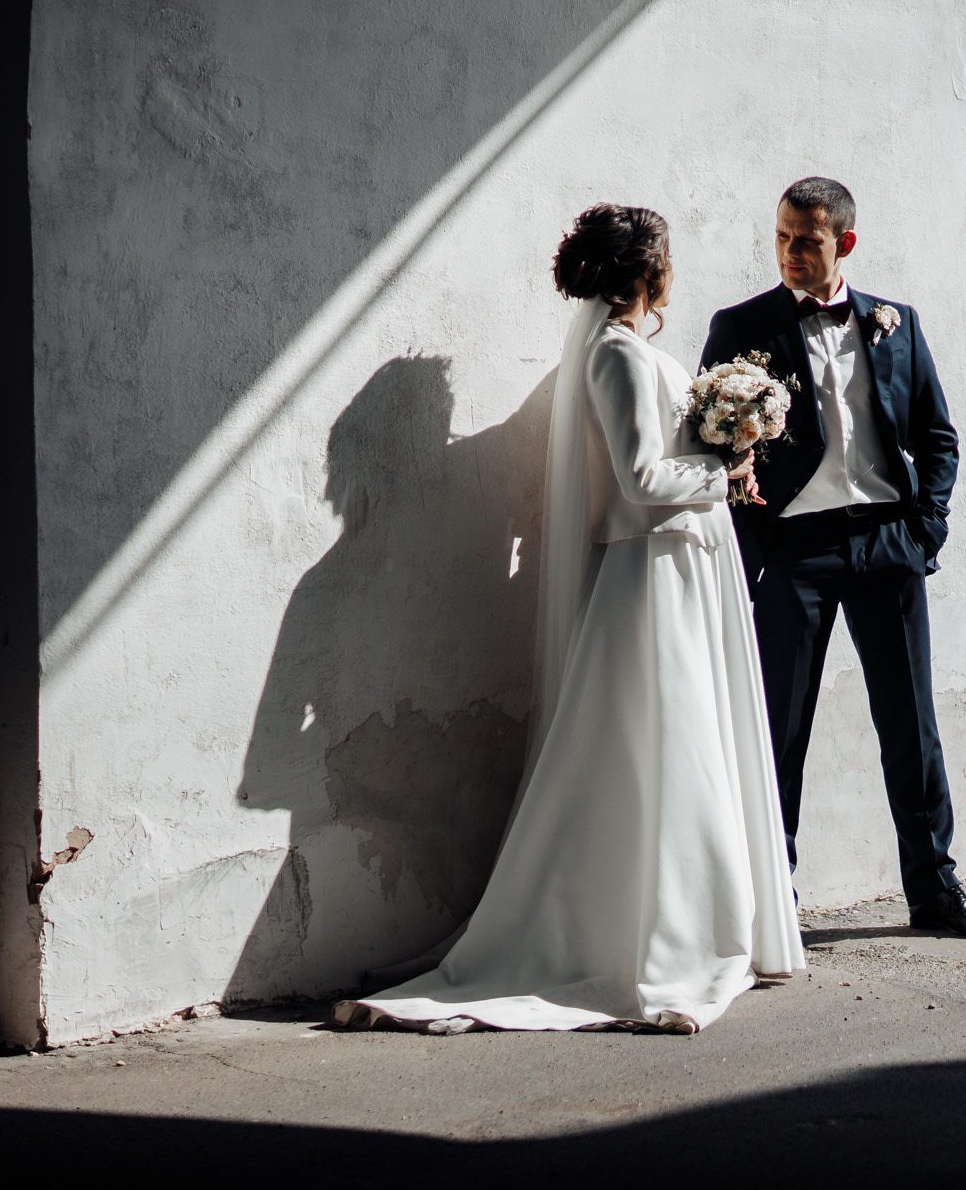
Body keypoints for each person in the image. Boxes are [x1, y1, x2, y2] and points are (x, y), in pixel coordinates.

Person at [341, 205, 801, 1032]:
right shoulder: (618, 357)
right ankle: (664, 938)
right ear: (649, 269)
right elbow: (637, 480)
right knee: (665, 747)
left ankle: (700, 920)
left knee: (678, 745)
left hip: (680, 569)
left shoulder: (621, 351)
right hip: (653, 574)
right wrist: (724, 469)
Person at [700, 177, 966, 939]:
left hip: (887, 544)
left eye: (808, 239)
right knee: (779, 728)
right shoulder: (741, 326)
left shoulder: (898, 324)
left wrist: (925, 528)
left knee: (912, 724)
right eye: (782, 237)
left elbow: (937, 435)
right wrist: (745, 528)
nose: (792, 253)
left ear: (846, 243)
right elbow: (706, 445)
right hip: (794, 551)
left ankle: (934, 888)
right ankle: (772, 899)